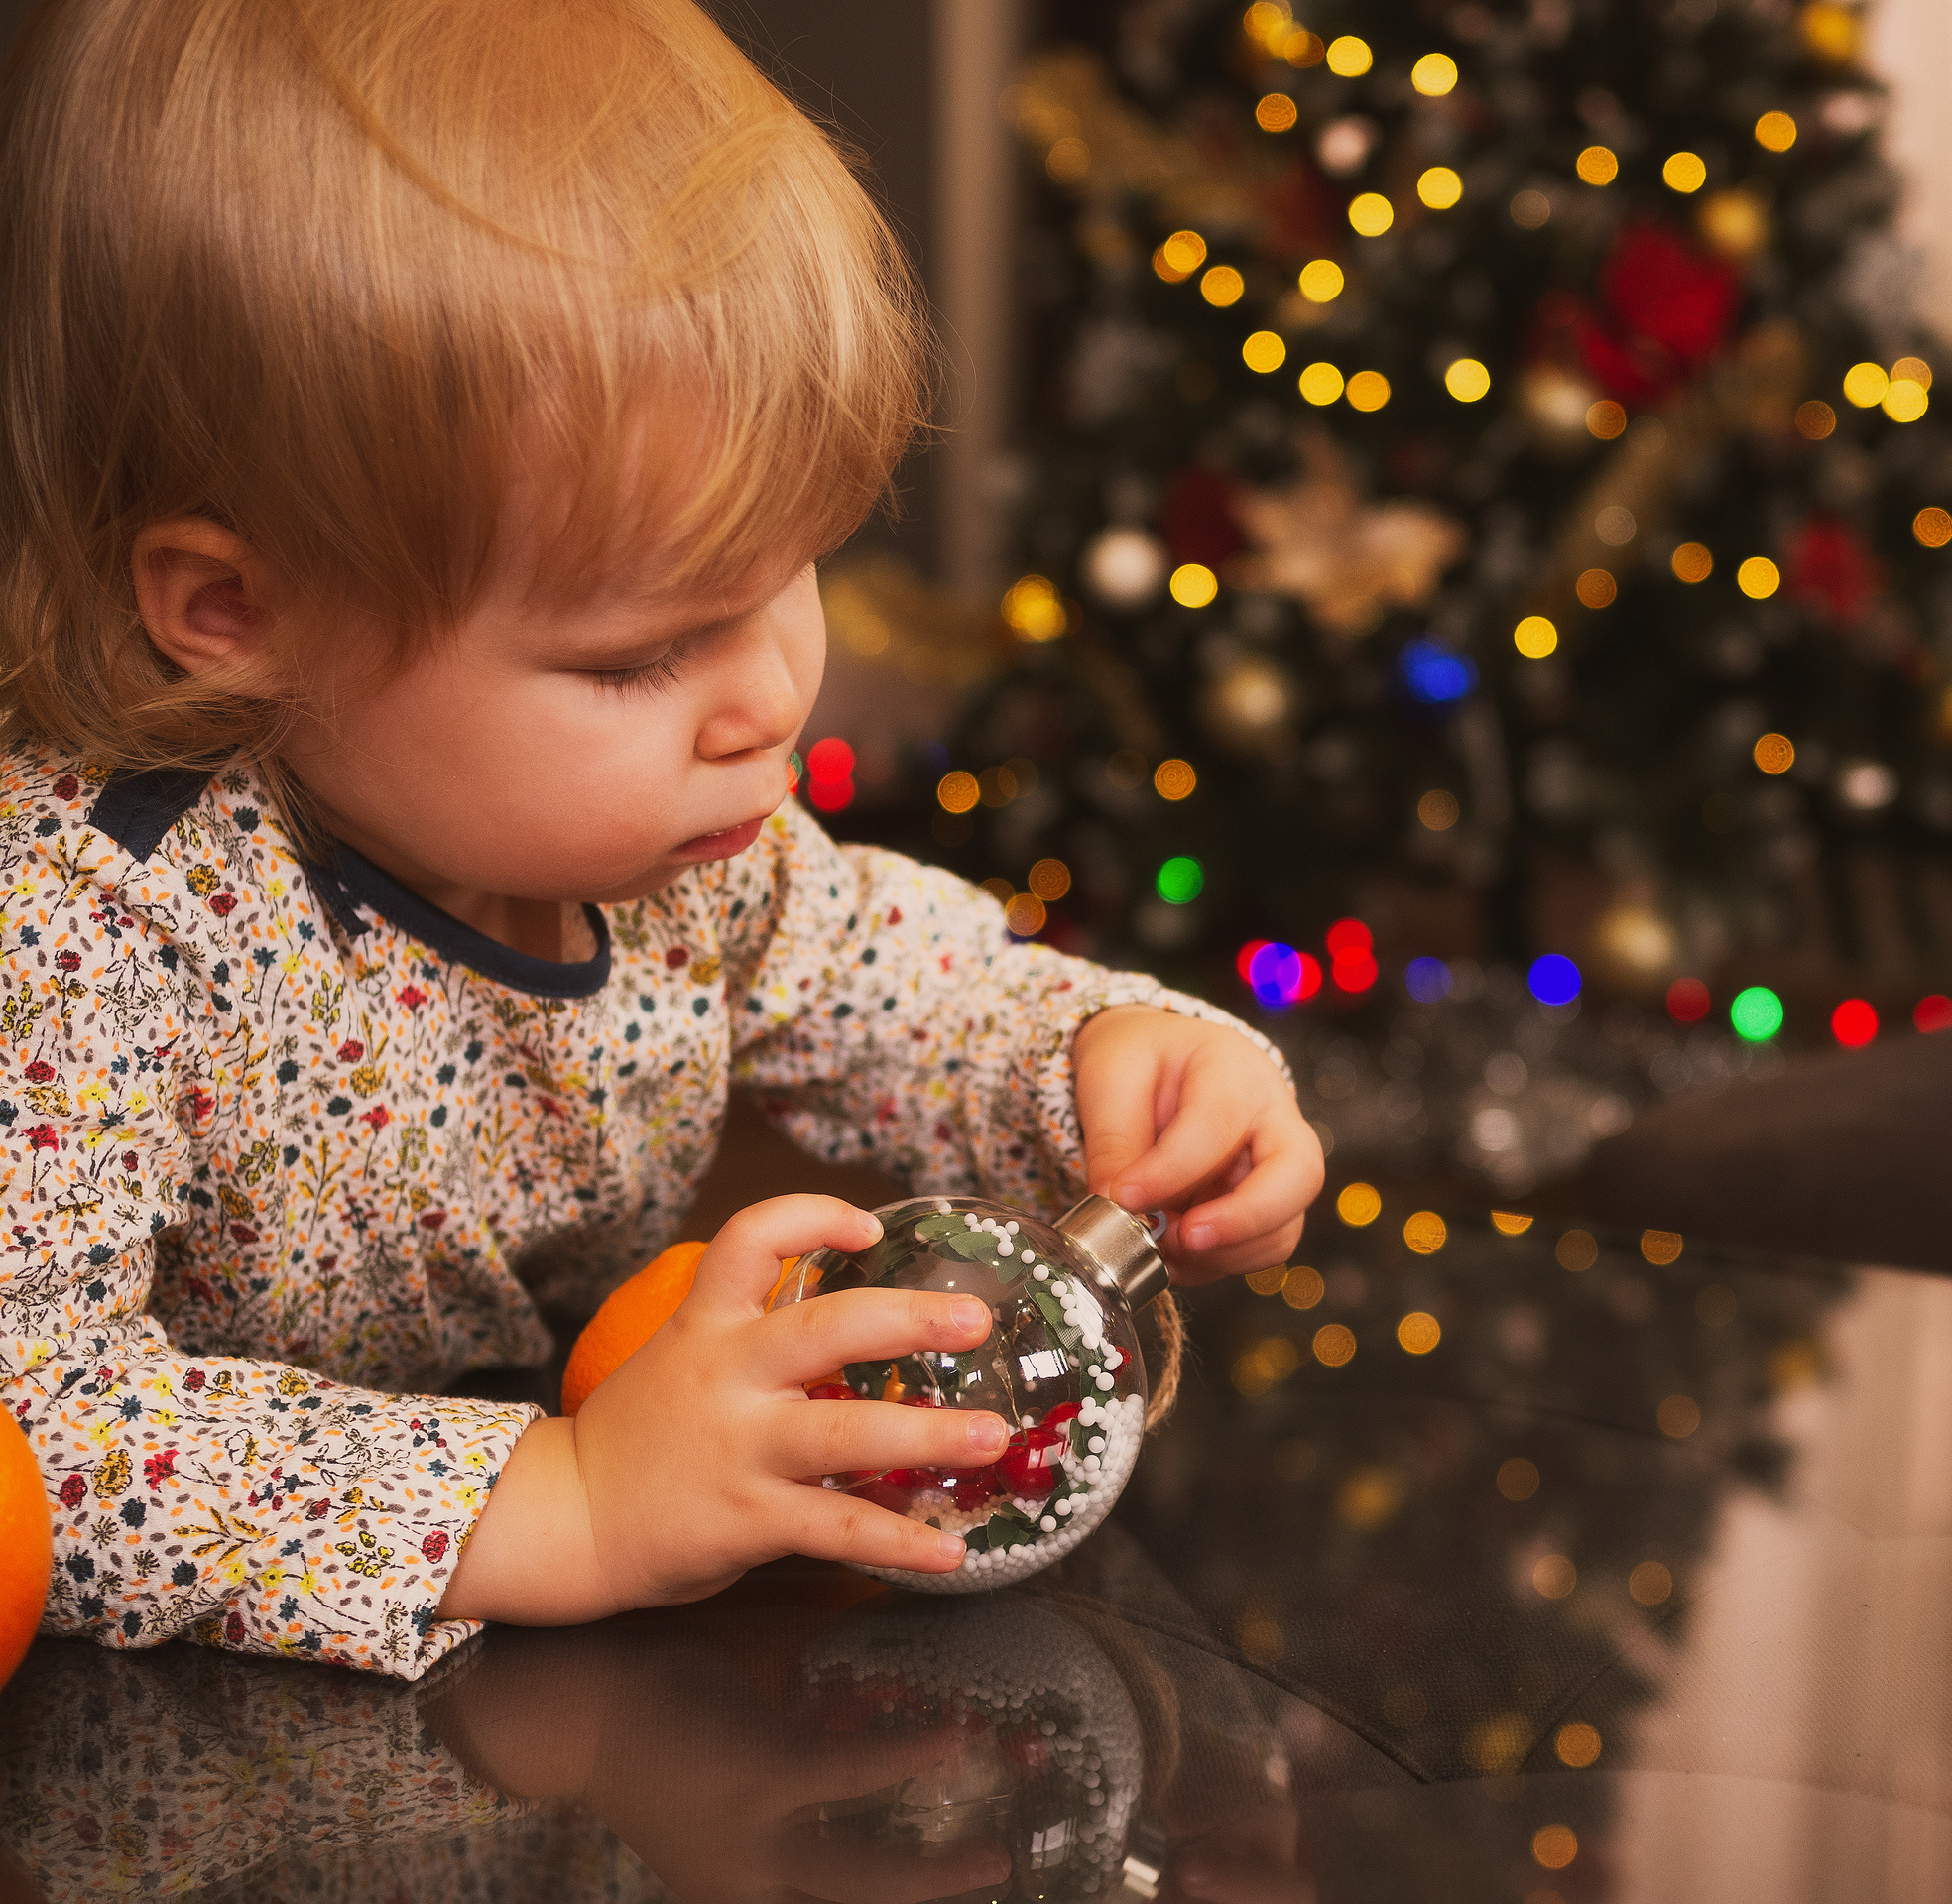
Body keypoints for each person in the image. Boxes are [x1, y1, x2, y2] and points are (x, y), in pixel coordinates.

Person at [0, 0, 1320, 1678]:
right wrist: (568, 1500)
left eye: (788, 576)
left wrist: (1110, 1059)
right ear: (234, 609)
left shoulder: (695, 854)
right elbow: (36, 1434)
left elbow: (904, 989)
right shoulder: (82, 936)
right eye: (637, 653)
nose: (768, 698)